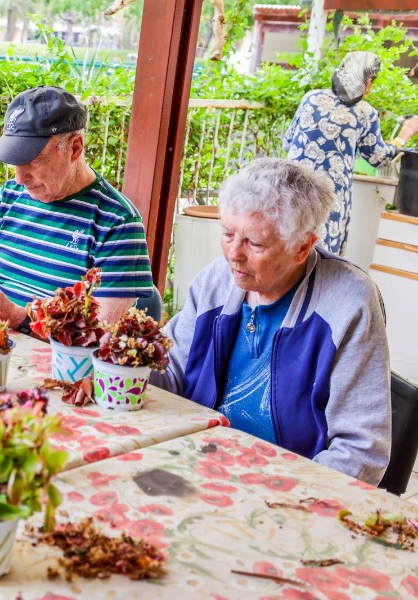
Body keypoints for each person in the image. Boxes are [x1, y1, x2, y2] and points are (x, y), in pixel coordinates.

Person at [151, 158, 391, 485]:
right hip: (192, 461)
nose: (233, 254)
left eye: (255, 243)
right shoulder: (217, 280)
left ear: (302, 247)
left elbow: (362, 448)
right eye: (227, 233)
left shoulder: (349, 302)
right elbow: (168, 369)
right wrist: (116, 368)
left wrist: (287, 494)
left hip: (285, 486)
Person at [0, 86, 154, 329]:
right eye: (14, 162)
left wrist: (17, 317)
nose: (20, 178)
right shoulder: (10, 196)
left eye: (32, 161)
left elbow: (100, 336)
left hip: (56, 369)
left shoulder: (119, 223)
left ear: (75, 148)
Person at [283, 51, 418, 255]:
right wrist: (404, 134)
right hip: (328, 198)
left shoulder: (311, 98)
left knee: (286, 249)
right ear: (367, 81)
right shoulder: (364, 113)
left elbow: (287, 142)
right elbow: (379, 158)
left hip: (290, 192)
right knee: (321, 260)